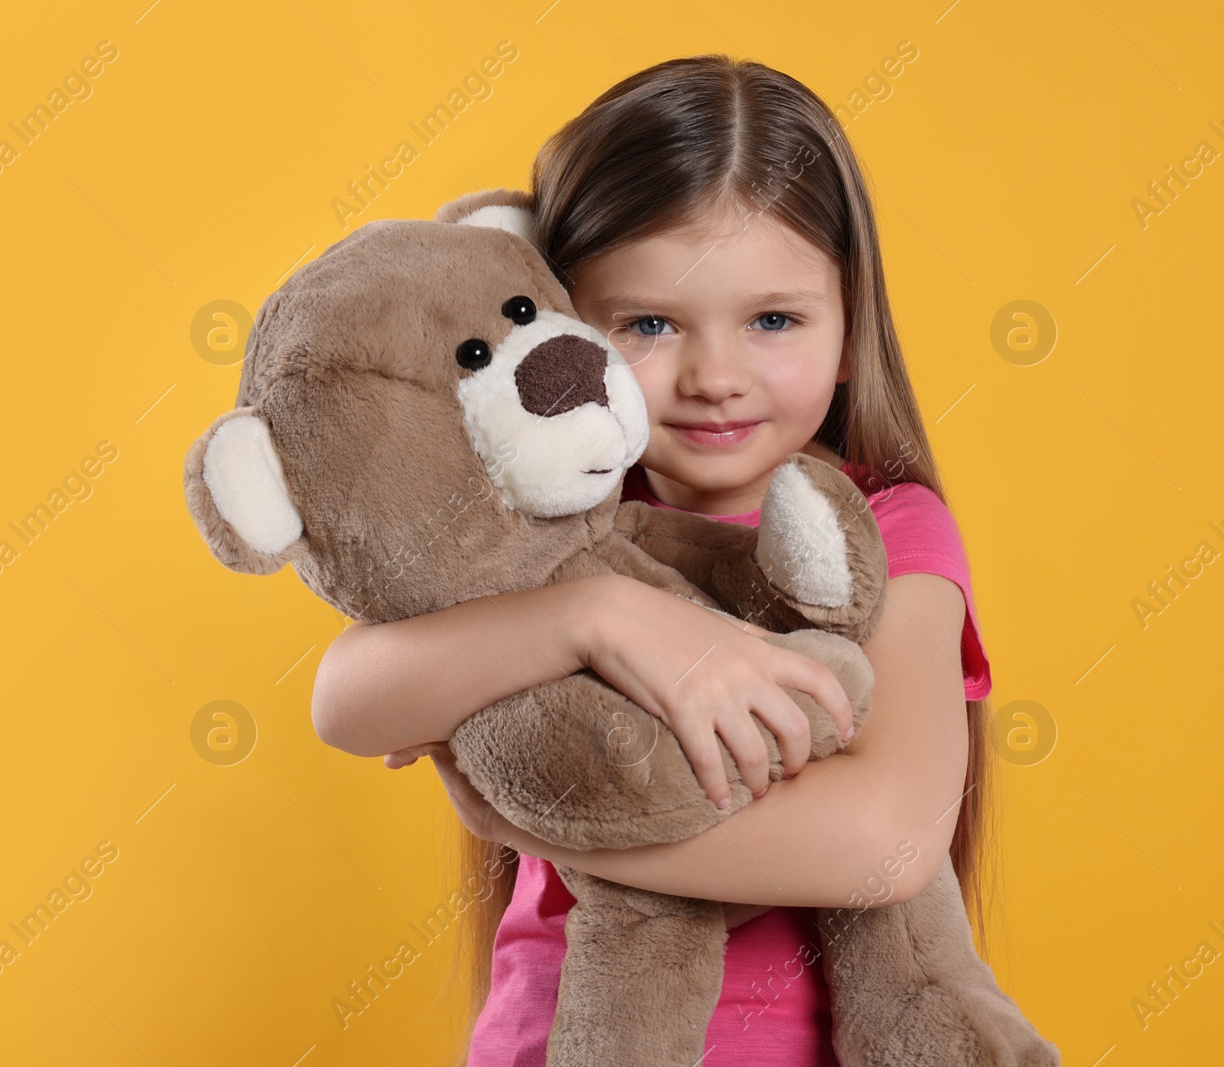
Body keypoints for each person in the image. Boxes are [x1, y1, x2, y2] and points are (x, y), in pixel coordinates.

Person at [311, 54, 997, 1065]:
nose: (715, 377)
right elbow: (346, 696)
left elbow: (883, 839)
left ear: (849, 326)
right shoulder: (545, 535)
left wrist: (547, 820)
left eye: (773, 319)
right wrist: (596, 618)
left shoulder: (891, 531)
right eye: (645, 324)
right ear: (560, 330)